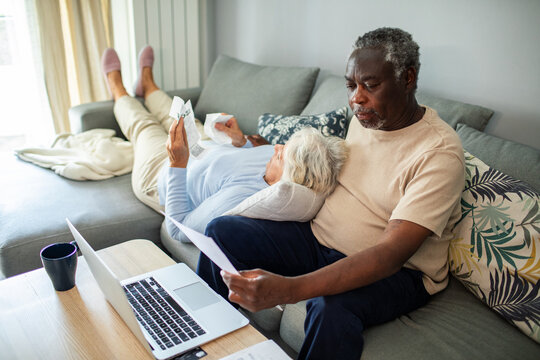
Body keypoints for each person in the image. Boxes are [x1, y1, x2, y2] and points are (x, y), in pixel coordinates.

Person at [197, 27, 465, 359]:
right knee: (221, 232)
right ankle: (202, 344)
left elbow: (391, 254)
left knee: (329, 308)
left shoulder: (438, 153)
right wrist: (257, 144)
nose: (356, 98)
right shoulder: (369, 118)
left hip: (400, 273)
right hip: (318, 239)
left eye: (370, 85)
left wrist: (292, 289)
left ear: (407, 78)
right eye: (352, 85)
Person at [101, 46, 349, 242]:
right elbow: (259, 155)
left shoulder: (242, 199)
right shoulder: (281, 167)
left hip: (163, 173)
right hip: (204, 145)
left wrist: (177, 163)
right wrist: (241, 142)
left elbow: (178, 229)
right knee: (174, 112)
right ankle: (148, 83)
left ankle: (116, 87)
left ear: (285, 180)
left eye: (281, 155)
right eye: (284, 145)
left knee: (144, 127)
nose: (276, 147)